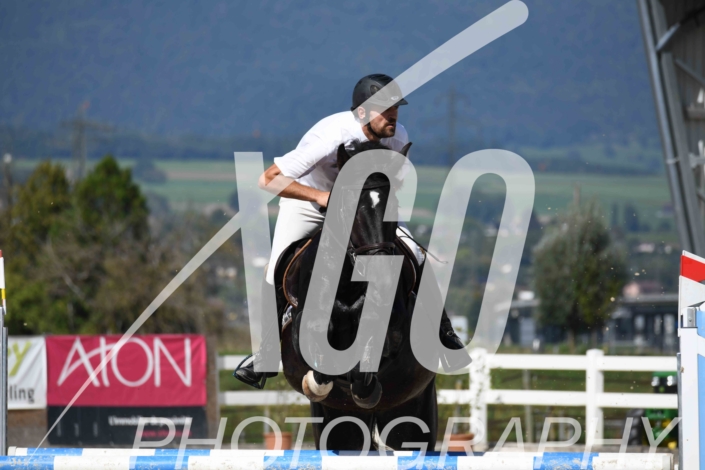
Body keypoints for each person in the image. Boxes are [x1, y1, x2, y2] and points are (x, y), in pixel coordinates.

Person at [234, 74, 467, 389]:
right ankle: (265, 355)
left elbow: (394, 181)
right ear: (362, 112)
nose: (393, 115)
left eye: (396, 107)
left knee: (416, 253)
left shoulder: (397, 136)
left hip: (366, 207)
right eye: (385, 109)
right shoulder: (331, 136)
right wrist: (320, 197)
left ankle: (445, 333)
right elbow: (268, 179)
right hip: (311, 202)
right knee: (276, 267)